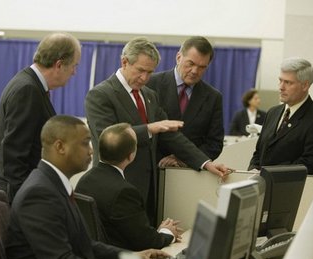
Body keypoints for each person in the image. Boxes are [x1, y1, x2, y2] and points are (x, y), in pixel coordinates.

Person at [5, 115, 170, 259]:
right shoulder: (39, 193)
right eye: (85, 143)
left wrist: (131, 257)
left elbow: (83, 244)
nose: (92, 150)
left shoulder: (54, 184)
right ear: (60, 147)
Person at [85, 37, 230, 225]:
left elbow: (171, 135)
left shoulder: (149, 94)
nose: (145, 78)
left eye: (150, 72)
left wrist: (206, 163)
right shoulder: (101, 94)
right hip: (115, 188)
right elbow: (107, 139)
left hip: (149, 188)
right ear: (124, 62)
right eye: (141, 71)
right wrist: (149, 129)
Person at [0, 32, 81, 203]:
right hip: (18, 197)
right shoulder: (28, 90)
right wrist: (27, 203)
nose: (74, 73)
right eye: (74, 66)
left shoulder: (29, 84)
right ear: (59, 64)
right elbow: (15, 157)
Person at [76, 123, 183, 251]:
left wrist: (154, 233)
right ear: (131, 155)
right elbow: (146, 242)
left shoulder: (84, 180)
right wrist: (168, 232)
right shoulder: (124, 192)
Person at [248, 58, 313, 175]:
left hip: (293, 190)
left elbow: (310, 165)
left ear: (305, 85)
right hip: (261, 186)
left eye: (288, 82)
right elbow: (259, 152)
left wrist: (267, 175)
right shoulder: (272, 113)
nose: (281, 87)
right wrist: (252, 171)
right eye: (280, 81)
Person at [147, 36, 224, 161]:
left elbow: (214, 144)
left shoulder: (213, 97)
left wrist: (183, 159)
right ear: (178, 57)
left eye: (202, 67)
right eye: (191, 64)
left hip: (188, 172)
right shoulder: (151, 85)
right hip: (151, 168)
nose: (195, 71)